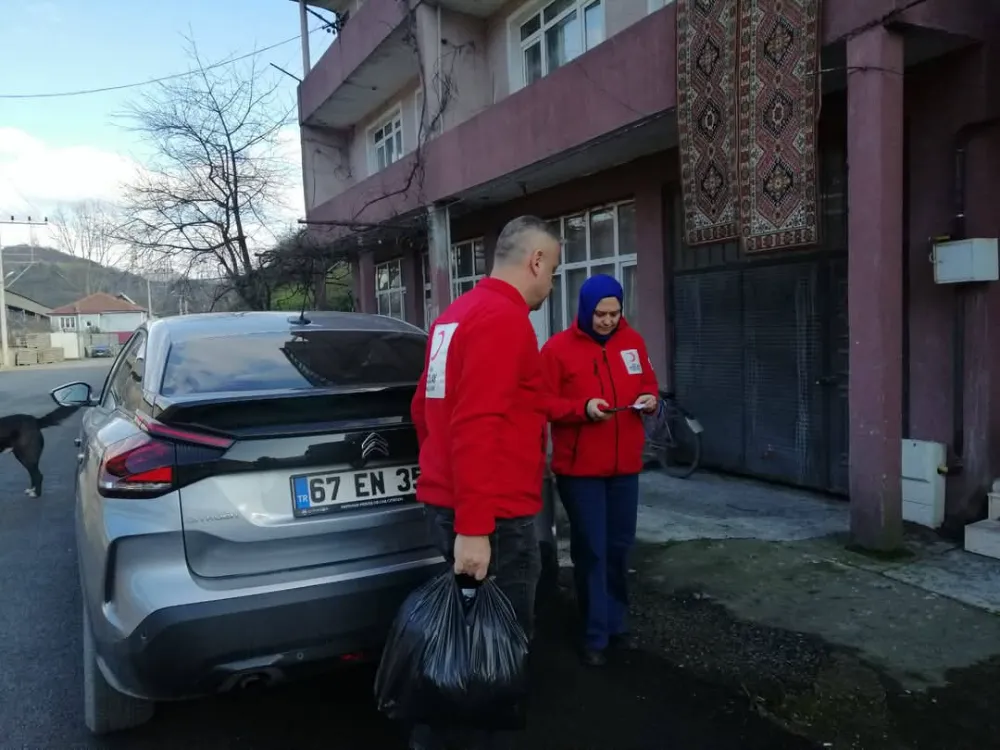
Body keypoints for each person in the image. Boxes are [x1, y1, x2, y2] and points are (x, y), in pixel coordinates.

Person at [409, 215, 590, 750]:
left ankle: (437, 733)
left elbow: (424, 408)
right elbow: (476, 422)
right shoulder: (504, 321)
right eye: (553, 271)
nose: (551, 283)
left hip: (455, 503)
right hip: (493, 517)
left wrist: (448, 490)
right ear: (536, 261)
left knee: (463, 639)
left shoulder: (453, 317)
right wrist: (474, 526)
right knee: (497, 649)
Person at [540, 274, 659, 667]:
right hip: (581, 472)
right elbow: (543, 402)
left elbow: (649, 383)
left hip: (624, 468)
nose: (608, 320)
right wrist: (582, 409)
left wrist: (649, 399)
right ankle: (594, 634)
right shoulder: (558, 350)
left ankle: (616, 623)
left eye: (614, 313)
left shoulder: (633, 342)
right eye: (600, 314)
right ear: (585, 309)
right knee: (592, 549)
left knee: (619, 547)